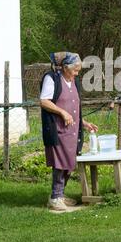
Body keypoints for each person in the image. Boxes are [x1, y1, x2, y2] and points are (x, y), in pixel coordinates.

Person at [40, 52, 98, 211]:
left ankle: (60, 195)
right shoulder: (51, 79)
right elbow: (44, 101)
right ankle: (54, 197)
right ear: (65, 68)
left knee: (69, 164)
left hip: (72, 131)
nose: (77, 73)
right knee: (60, 163)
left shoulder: (74, 82)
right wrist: (62, 113)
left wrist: (84, 123)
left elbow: (73, 107)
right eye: (75, 70)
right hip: (57, 129)